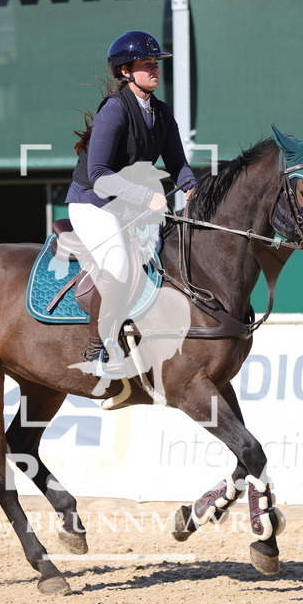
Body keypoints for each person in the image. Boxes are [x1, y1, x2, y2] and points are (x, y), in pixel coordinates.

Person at [65, 30, 197, 378]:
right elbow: (99, 175)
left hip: (128, 206)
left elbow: (177, 162)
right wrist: (145, 195)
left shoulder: (161, 112)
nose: (154, 70)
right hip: (93, 203)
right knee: (120, 266)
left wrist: (191, 185)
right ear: (124, 71)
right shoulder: (114, 110)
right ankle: (97, 352)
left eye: (156, 64)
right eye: (146, 64)